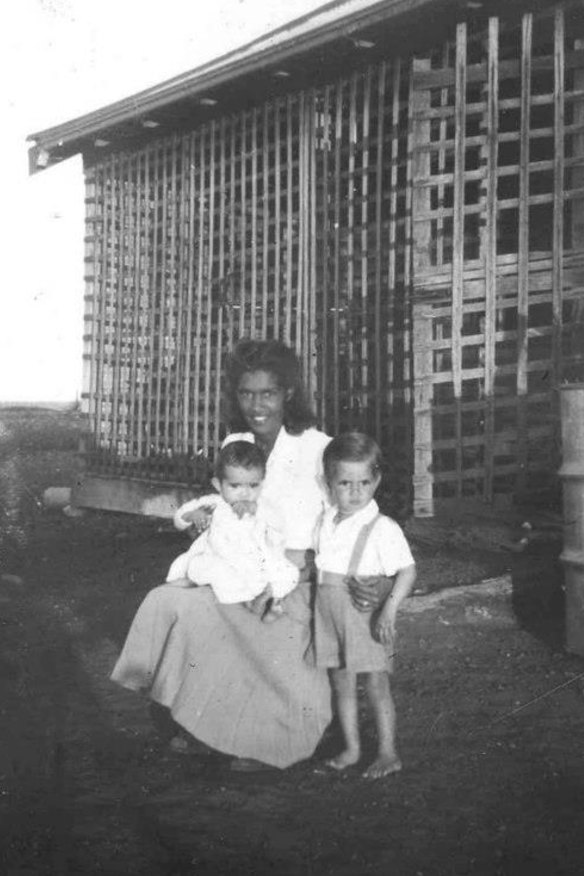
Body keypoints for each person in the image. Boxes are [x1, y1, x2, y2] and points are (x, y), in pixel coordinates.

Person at [110, 338, 332, 769]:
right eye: (246, 393)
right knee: (168, 600)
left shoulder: (317, 448)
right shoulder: (237, 440)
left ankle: (264, 738)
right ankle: (197, 722)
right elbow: (230, 508)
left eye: (267, 393)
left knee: (244, 620)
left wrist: (293, 577)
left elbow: (333, 532)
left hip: (296, 577)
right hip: (239, 571)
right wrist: (207, 522)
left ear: (288, 392)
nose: (256, 405)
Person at [311, 432, 416, 779]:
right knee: (341, 681)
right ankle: (352, 747)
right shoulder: (325, 521)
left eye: (364, 482)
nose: (355, 492)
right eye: (344, 483)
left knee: (375, 683)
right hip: (329, 613)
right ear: (329, 484)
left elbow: (407, 570)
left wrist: (389, 609)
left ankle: (388, 752)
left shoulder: (382, 527)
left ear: (377, 481)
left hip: (364, 615)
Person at [166, 440, 302, 622]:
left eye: (253, 486)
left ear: (262, 483)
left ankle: (273, 601)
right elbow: (179, 517)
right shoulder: (214, 502)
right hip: (219, 558)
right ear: (218, 484)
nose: (245, 493)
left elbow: (279, 525)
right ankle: (248, 600)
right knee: (203, 569)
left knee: (289, 572)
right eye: (235, 486)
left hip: (254, 560)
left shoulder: (263, 506)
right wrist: (193, 514)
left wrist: (257, 511)